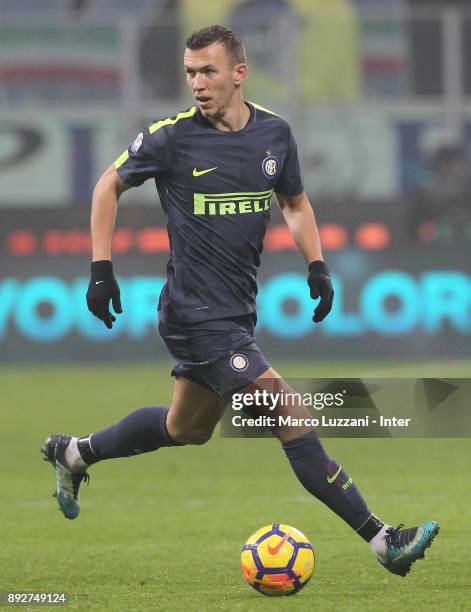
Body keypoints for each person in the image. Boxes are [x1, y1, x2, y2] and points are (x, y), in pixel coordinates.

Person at [42, 25, 438, 577]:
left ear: (238, 74)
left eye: (207, 71)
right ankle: (382, 541)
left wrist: (317, 265)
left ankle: (77, 452)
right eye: (189, 73)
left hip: (235, 314)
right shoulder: (172, 137)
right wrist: (101, 269)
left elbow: (295, 203)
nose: (197, 83)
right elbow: (106, 185)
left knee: (187, 429)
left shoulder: (274, 135)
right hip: (193, 314)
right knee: (287, 409)